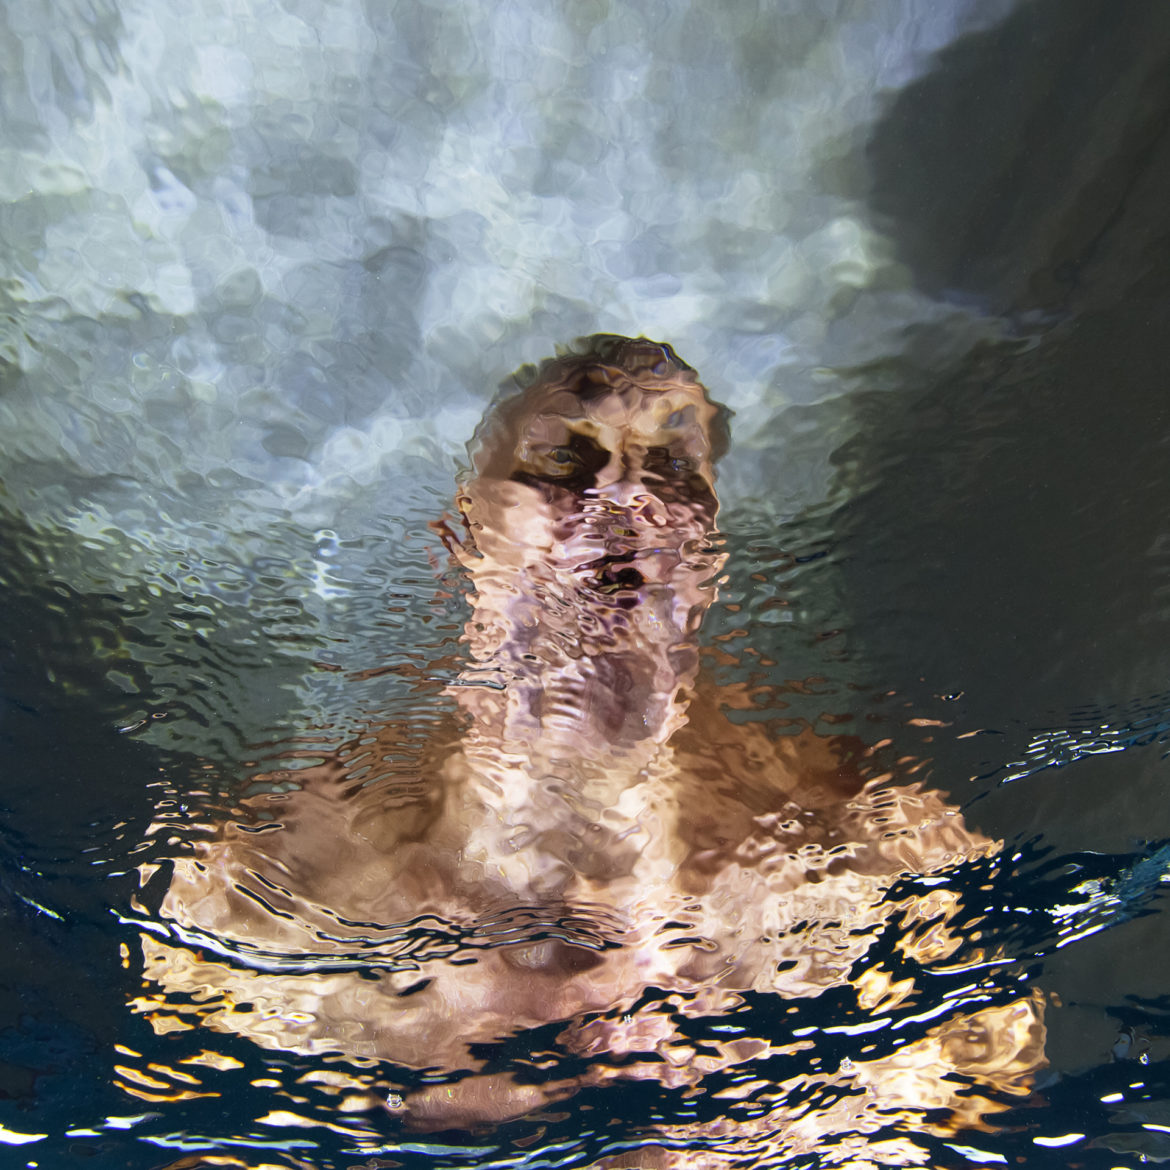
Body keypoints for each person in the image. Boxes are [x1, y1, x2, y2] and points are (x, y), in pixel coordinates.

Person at [129, 337, 1044, 1164]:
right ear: (463, 541)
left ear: (707, 562)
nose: (624, 495)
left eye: (672, 470)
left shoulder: (874, 849)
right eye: (564, 461)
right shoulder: (265, 885)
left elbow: (986, 1095)